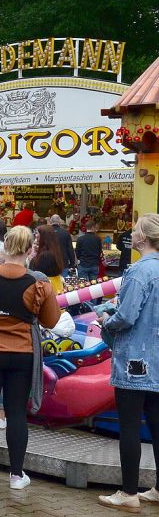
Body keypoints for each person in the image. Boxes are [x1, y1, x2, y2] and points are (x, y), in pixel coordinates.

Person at [0, 225, 61, 490]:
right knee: (17, 412)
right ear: (31, 250)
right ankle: (17, 475)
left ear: (4, 247)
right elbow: (51, 320)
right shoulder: (39, 281)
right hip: (22, 353)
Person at [97, 214, 159, 512]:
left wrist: (107, 317)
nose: (130, 234)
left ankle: (129, 491)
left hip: (136, 360)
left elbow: (127, 317)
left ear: (143, 239)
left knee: (131, 427)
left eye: (135, 230)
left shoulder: (138, 272)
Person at [30, 225, 65, 293]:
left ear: (44, 236)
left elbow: (37, 272)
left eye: (37, 233)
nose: (36, 235)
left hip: (46, 288)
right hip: (55, 286)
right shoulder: (54, 251)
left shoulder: (45, 255)